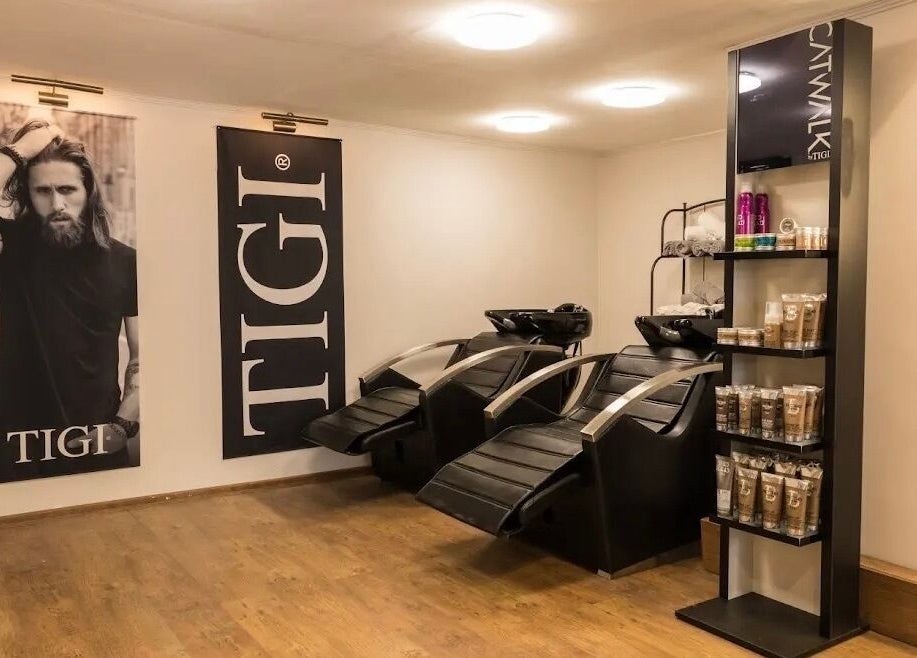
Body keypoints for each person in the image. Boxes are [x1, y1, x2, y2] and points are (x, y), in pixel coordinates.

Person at [0, 120, 139, 479]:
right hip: (20, 447)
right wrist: (23, 149)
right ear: (28, 196)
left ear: (87, 190)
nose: (58, 203)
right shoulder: (13, 248)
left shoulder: (125, 261)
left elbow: (143, 355)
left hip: (100, 443)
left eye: (67, 189)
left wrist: (123, 426)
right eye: (43, 191)